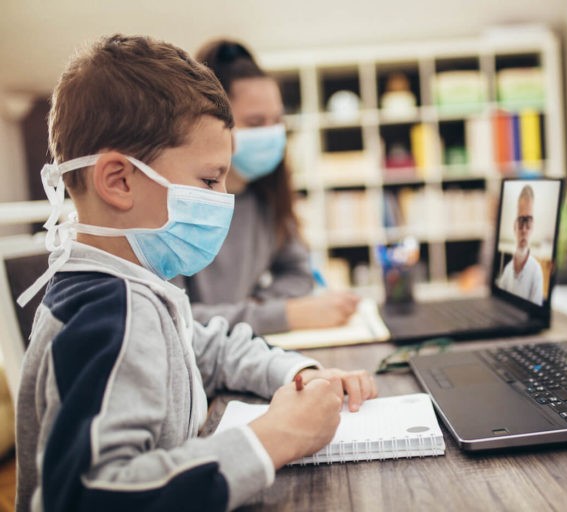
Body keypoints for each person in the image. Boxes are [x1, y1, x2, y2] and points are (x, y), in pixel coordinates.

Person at [15, 35, 376, 512]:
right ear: (119, 180)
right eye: (209, 180)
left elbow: (205, 345)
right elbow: (89, 496)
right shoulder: (107, 314)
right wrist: (276, 436)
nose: (223, 198)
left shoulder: (134, 289)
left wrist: (297, 371)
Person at [180, 39, 358, 334]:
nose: (272, 133)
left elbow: (299, 275)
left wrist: (260, 308)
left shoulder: (266, 196)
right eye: (255, 122)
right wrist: (285, 314)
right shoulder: (178, 206)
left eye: (277, 120)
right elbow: (175, 319)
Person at [497, 185, 544, 305]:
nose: (524, 229)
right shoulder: (507, 271)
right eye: (520, 221)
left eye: (528, 222)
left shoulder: (536, 272)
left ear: (533, 227)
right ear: (514, 227)